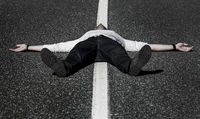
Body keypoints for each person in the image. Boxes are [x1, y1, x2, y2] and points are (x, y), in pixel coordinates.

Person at [9, 23, 193, 77]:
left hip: (108, 44)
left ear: (105, 29)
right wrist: (27, 47)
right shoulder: (84, 36)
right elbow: (56, 46)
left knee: (118, 54)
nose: (100, 23)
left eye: (102, 25)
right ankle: (63, 68)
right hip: (89, 44)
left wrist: (174, 46)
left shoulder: (115, 36)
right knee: (77, 53)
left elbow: (147, 45)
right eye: (99, 25)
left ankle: (132, 67)